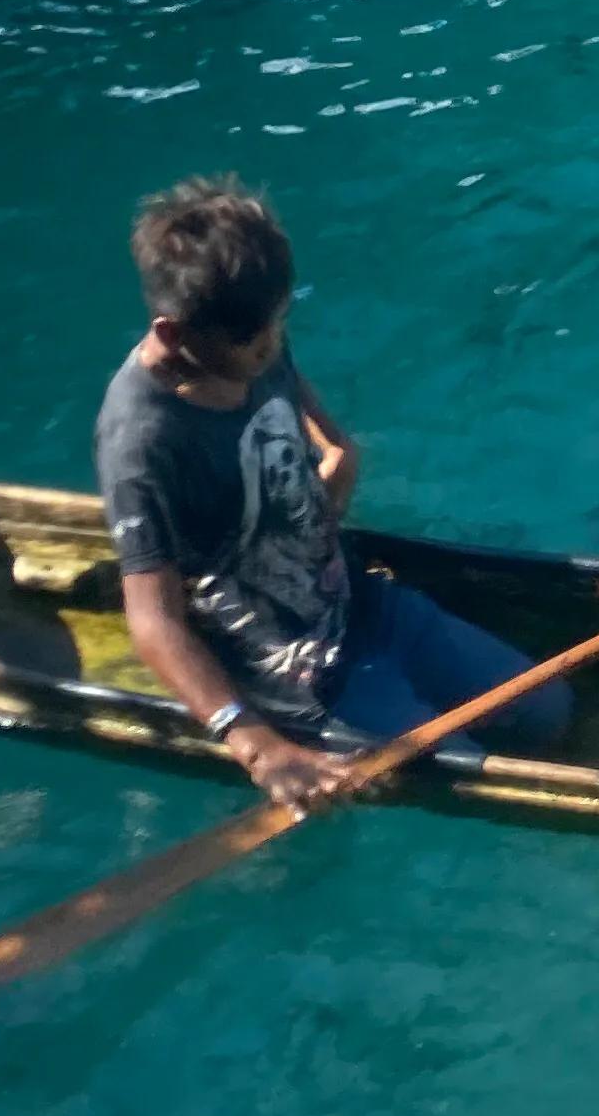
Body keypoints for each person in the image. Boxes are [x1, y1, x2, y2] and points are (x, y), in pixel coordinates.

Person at [95, 177, 570, 808]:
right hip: (293, 675)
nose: (272, 348)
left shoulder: (251, 326)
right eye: (254, 343)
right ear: (177, 334)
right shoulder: (141, 443)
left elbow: (301, 404)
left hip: (359, 605)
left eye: (279, 325)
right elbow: (153, 624)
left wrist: (338, 452)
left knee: (549, 709)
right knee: (477, 778)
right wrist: (260, 748)